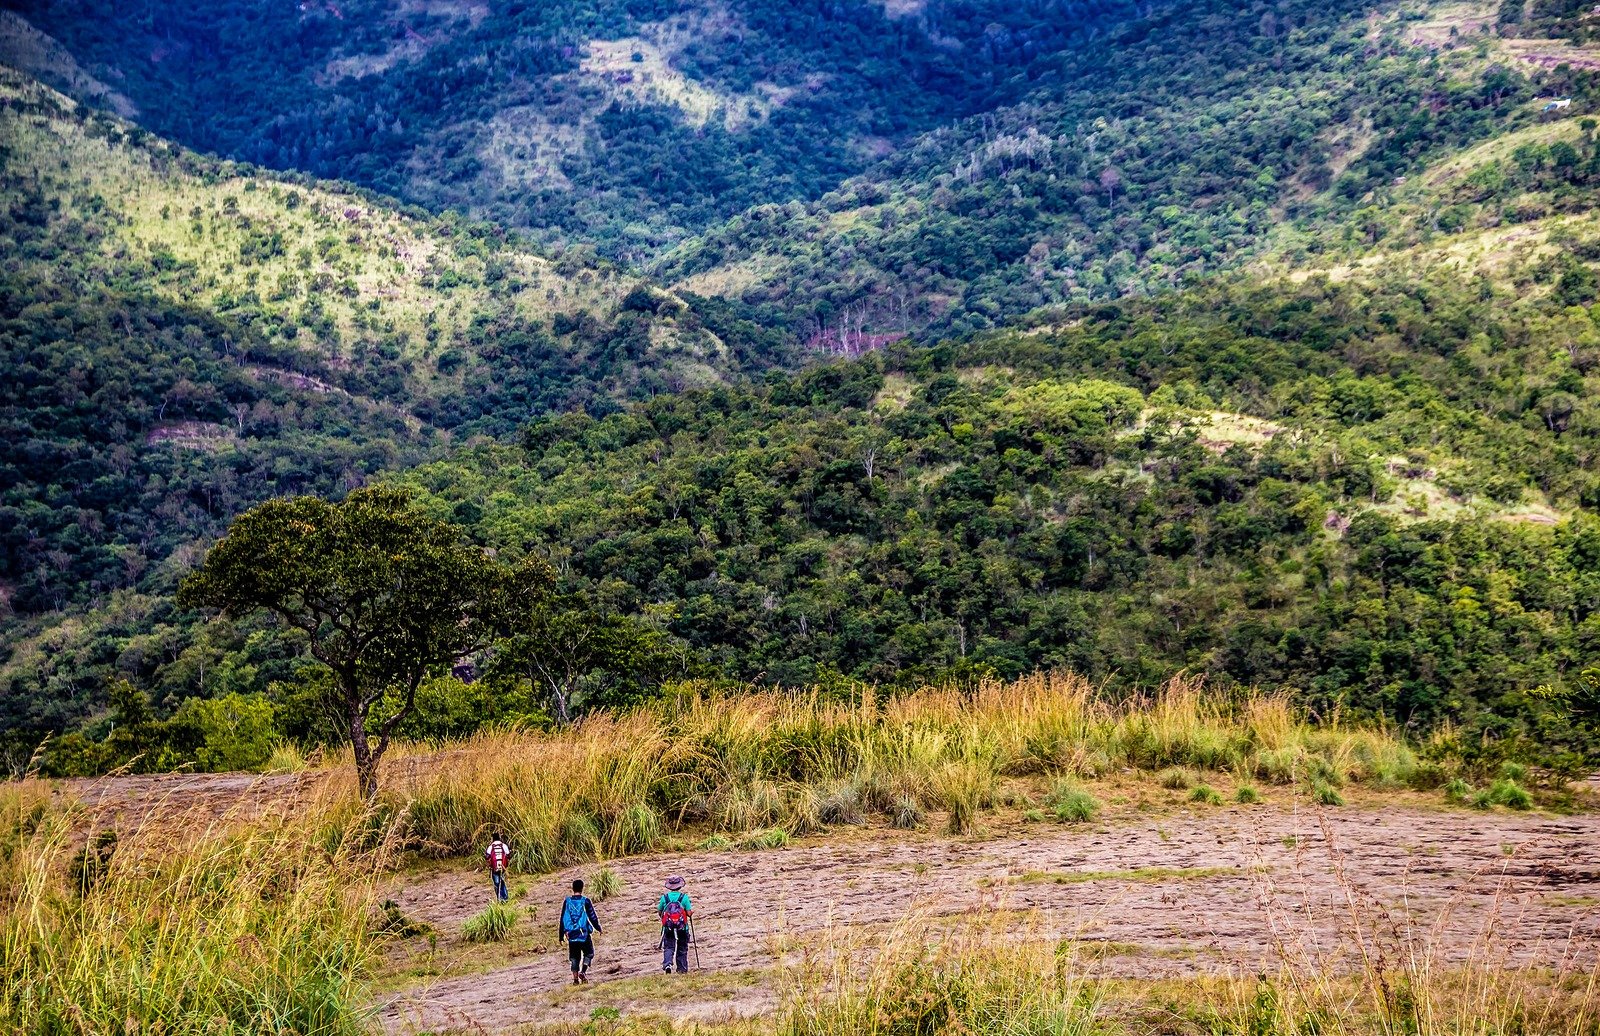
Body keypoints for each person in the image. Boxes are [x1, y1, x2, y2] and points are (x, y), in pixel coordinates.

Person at [558, 879, 603, 985]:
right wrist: (598, 928)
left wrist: (561, 935)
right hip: (583, 933)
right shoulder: (585, 901)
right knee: (589, 953)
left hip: (571, 934)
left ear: (572, 888)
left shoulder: (567, 901)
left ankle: (575, 980)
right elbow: (592, 916)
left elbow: (562, 918)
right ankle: (583, 972)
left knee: (574, 957)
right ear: (582, 888)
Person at [657, 874, 693, 973]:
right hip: (682, 928)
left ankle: (668, 964)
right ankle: (682, 969)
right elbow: (689, 913)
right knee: (682, 948)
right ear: (680, 885)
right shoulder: (684, 897)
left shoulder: (664, 898)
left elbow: (660, 911)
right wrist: (690, 913)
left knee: (668, 947)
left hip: (668, 928)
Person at [485, 832, 511, 902]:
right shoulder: (504, 846)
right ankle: (505, 897)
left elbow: (487, 857)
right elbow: (508, 855)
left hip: (494, 867)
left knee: (496, 883)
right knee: (502, 881)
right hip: (503, 867)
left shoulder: (491, 847)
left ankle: (500, 898)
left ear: (492, 839)